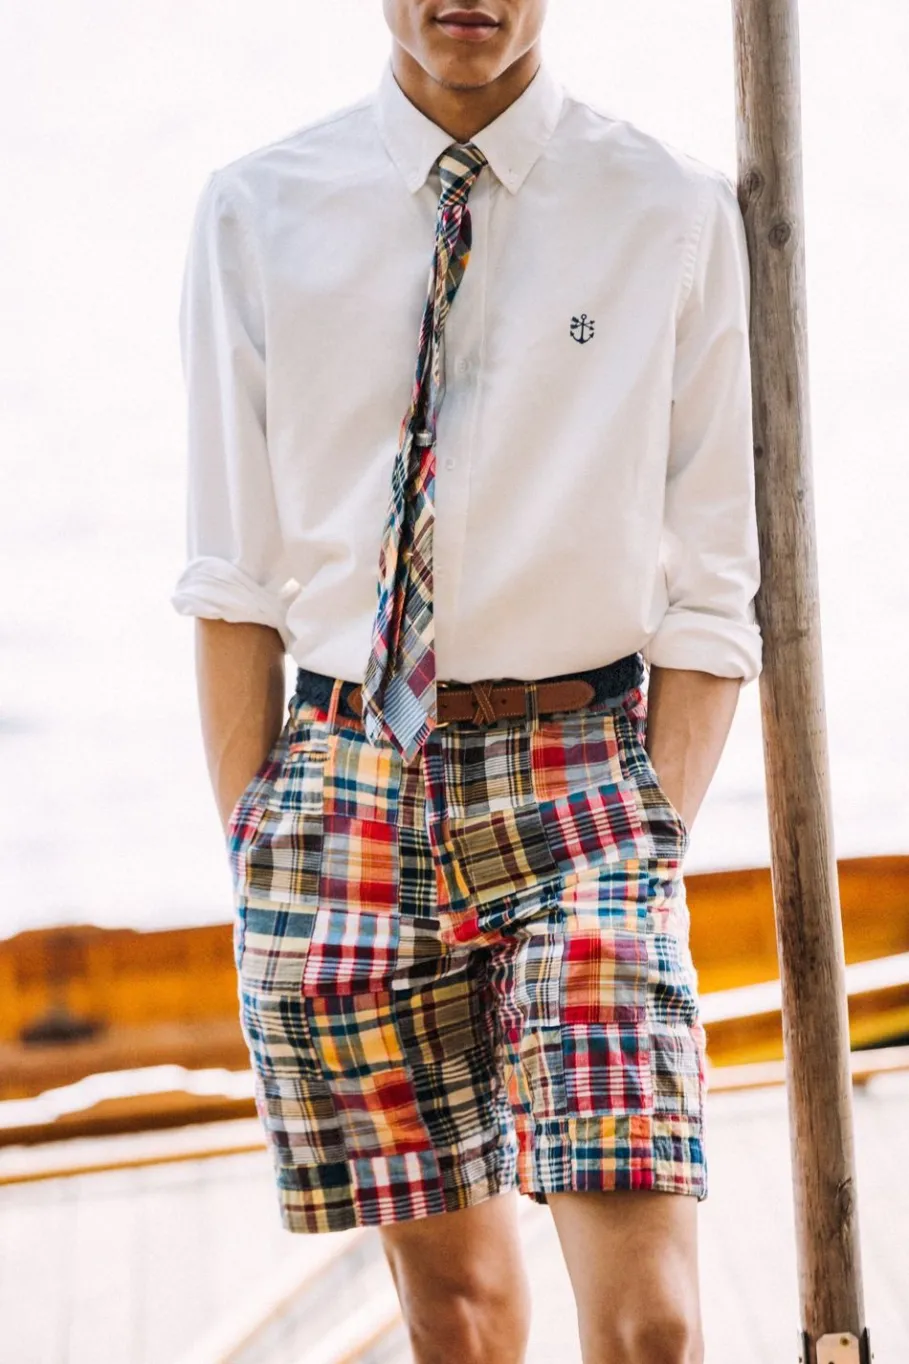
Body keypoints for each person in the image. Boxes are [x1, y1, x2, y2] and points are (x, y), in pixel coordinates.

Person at [171, 3, 762, 1361]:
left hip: (583, 778)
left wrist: (650, 833)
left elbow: (714, 583)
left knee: (653, 1324)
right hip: (342, 782)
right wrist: (260, 840)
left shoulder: (670, 210)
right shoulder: (256, 212)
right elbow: (232, 581)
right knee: (459, 1315)